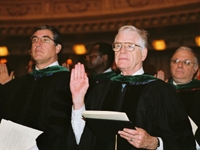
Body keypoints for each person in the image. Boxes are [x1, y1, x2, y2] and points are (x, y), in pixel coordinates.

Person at [69, 25, 196, 150]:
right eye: (118, 46)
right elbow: (85, 138)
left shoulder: (161, 91)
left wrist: (154, 143)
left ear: (143, 53)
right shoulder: (101, 90)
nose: (122, 51)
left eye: (129, 46)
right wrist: (78, 101)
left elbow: (183, 141)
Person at [0, 25, 72, 150]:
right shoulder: (15, 85)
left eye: (45, 40)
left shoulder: (68, 82)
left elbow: (63, 125)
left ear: (58, 48)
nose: (38, 44)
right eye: (34, 40)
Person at [155, 46, 200, 149]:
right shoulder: (159, 89)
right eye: (176, 61)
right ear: (170, 65)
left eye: (186, 62)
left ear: (195, 68)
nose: (179, 65)